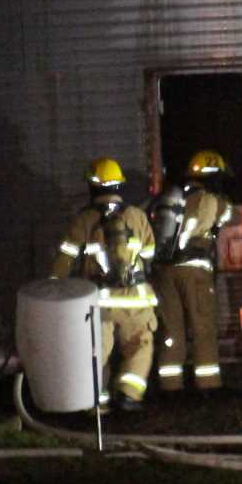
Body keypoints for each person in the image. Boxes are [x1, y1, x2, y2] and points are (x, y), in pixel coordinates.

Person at [52, 157, 158, 412]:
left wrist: (54, 288)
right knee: (140, 347)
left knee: (96, 353)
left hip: (99, 302)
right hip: (135, 300)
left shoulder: (84, 220)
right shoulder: (137, 216)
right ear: (120, 186)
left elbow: (65, 259)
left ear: (92, 186)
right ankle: (128, 394)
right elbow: (150, 254)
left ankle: (96, 404)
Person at [151, 149, 235, 395]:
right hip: (194, 271)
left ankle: (170, 387)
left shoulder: (172, 198)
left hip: (164, 271)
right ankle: (208, 385)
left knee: (172, 331)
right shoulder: (210, 200)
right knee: (203, 327)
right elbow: (231, 214)